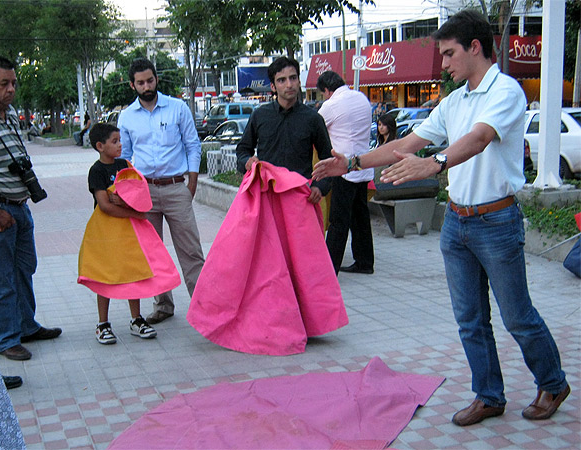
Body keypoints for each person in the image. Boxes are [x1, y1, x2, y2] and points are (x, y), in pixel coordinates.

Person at [313, 10, 569, 426]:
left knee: (516, 316)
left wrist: (435, 164)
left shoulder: (506, 91)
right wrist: (352, 162)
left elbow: (479, 138)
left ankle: (553, 382)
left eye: (449, 54)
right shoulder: (454, 101)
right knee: (470, 319)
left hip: (497, 222)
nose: (444, 64)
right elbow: (408, 142)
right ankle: (489, 395)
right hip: (457, 223)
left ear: (475, 48)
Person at [0, 55, 62, 361]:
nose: (11, 89)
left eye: (14, 83)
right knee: (0, 277)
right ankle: (4, 338)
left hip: (19, 206)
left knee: (24, 270)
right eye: (4, 84)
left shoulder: (10, 114)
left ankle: (26, 326)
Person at [118, 58, 204, 325]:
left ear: (156, 79)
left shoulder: (177, 108)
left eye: (150, 80)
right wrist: (128, 190)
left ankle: (205, 305)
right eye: (141, 82)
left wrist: (191, 182)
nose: (147, 86)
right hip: (144, 193)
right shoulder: (127, 117)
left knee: (191, 251)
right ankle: (163, 305)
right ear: (133, 85)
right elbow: (126, 156)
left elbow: (193, 145)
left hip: (177, 188)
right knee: (152, 253)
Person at [83, 123, 158, 344]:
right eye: (114, 141)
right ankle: (103, 324)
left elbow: (137, 193)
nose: (120, 145)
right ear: (100, 146)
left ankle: (136, 319)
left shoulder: (125, 165)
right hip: (106, 232)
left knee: (132, 271)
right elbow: (104, 205)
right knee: (105, 275)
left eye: (119, 140)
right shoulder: (96, 171)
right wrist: (132, 212)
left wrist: (126, 203)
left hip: (127, 231)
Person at [236, 56, 333, 203]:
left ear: (299, 82)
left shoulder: (313, 119)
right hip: (267, 196)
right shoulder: (260, 116)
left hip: (301, 197)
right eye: (282, 80)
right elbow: (243, 150)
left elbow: (328, 158)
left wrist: (320, 187)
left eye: (293, 78)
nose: (289, 84)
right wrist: (247, 162)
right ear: (273, 87)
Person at [316, 70, 374, 275]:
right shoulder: (361, 98)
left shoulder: (331, 105)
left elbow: (314, 126)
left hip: (344, 169)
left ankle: (330, 267)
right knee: (360, 217)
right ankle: (365, 261)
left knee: (338, 219)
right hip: (364, 166)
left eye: (322, 94)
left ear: (326, 90)